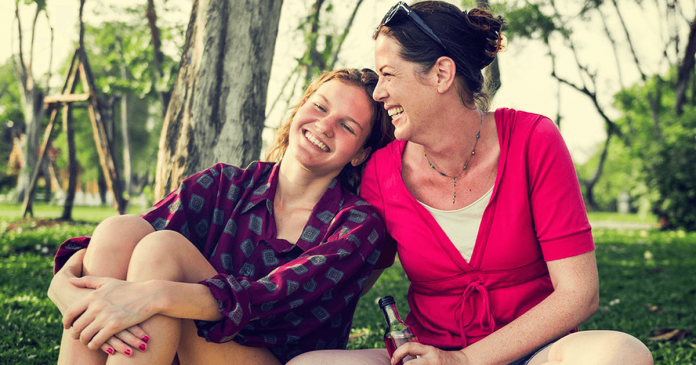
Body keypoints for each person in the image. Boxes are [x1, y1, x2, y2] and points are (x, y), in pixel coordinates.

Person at [287, 2, 654, 365]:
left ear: (441, 74)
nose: (379, 93)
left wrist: (463, 360)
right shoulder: (381, 172)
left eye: (389, 74)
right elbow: (347, 280)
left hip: (537, 354)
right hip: (428, 356)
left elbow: (579, 294)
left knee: (622, 355)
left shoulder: (532, 140)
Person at [48, 68, 394, 365]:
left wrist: (155, 295)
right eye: (319, 106)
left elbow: (270, 299)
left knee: (163, 250)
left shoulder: (357, 225)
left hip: (270, 358)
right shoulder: (227, 184)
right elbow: (119, 245)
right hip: (188, 344)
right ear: (300, 107)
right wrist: (66, 282)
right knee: (117, 230)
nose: (324, 125)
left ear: (360, 154)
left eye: (347, 126)